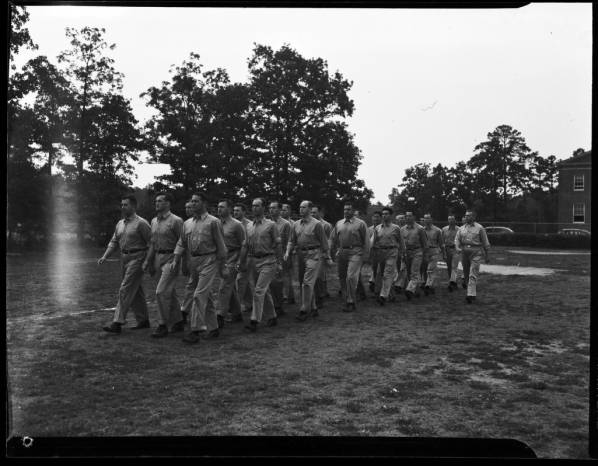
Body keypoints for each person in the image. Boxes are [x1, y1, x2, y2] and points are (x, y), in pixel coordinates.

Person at [170, 193, 227, 344]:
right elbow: (181, 243)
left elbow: (221, 246)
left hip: (209, 260)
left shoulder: (213, 222)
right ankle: (213, 328)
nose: (193, 204)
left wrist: (223, 266)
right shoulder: (187, 223)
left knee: (198, 295)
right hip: (193, 260)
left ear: (204, 203)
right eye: (192, 201)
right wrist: (177, 259)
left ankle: (195, 330)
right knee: (205, 297)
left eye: (196, 201)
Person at [99, 194, 152, 334]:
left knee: (125, 288)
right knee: (136, 291)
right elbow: (114, 242)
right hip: (124, 258)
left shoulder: (142, 223)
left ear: (134, 206)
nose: (123, 207)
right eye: (121, 205)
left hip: (138, 258)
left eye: (126, 205)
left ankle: (117, 323)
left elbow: (151, 243)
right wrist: (105, 256)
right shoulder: (120, 224)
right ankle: (143, 320)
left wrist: (147, 261)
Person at [141, 192, 185, 338]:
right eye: (156, 201)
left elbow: (183, 242)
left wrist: (181, 261)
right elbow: (153, 243)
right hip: (158, 257)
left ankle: (162, 324)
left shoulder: (176, 221)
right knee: (169, 292)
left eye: (160, 201)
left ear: (168, 203)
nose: (156, 203)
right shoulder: (154, 221)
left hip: (171, 257)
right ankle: (178, 321)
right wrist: (148, 261)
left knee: (161, 291)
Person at [286, 200, 331, 321]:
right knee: (304, 282)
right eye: (300, 207)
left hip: (314, 255)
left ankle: (304, 310)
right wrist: (287, 252)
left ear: (310, 209)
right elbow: (291, 240)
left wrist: (328, 257)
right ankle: (314, 308)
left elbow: (324, 243)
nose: (301, 209)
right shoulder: (295, 224)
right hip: (301, 255)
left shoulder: (317, 225)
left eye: (304, 207)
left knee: (306, 283)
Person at [243, 198, 283, 332]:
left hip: (268, 261)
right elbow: (246, 246)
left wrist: (279, 262)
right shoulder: (248, 226)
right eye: (253, 206)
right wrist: (242, 262)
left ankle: (254, 320)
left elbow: (278, 244)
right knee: (263, 291)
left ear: (263, 208)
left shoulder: (271, 225)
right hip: (255, 261)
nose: (254, 208)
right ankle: (272, 316)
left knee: (258, 291)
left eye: (257, 206)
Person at [329, 202, 369, 312]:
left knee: (351, 277)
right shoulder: (339, 223)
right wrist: (329, 251)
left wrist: (366, 255)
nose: (346, 211)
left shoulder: (361, 224)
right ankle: (347, 298)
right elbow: (332, 238)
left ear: (353, 211)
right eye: (345, 209)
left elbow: (366, 240)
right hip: (342, 252)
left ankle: (351, 301)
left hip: (356, 252)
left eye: (349, 209)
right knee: (342, 277)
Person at [215, 199, 247, 328]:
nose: (219, 209)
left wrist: (240, 261)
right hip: (222, 259)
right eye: (218, 207)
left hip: (233, 258)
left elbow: (244, 245)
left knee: (224, 287)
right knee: (230, 287)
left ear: (229, 209)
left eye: (222, 207)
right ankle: (237, 313)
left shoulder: (237, 225)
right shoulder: (216, 223)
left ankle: (220, 315)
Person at [455, 210, 491, 304]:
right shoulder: (461, 228)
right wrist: (457, 247)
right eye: (466, 216)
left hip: (476, 252)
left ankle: (470, 295)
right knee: (466, 274)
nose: (467, 217)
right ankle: (471, 292)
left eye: (469, 216)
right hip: (464, 252)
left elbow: (485, 242)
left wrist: (487, 256)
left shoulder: (480, 228)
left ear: (474, 217)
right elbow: (457, 240)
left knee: (473, 273)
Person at [371, 207, 405, 305]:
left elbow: (401, 242)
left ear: (391, 215)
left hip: (392, 252)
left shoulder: (396, 228)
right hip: (381, 253)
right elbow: (373, 241)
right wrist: (370, 251)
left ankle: (383, 296)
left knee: (387, 274)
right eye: (383, 214)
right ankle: (392, 294)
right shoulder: (377, 228)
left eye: (386, 214)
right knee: (382, 274)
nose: (384, 215)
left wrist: (403, 252)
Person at [269, 201, 291, 316]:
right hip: (268, 255)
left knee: (278, 280)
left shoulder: (286, 224)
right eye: (270, 208)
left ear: (279, 210)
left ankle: (279, 305)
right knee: (270, 282)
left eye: (274, 208)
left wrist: (285, 255)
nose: (271, 210)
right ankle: (273, 304)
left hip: (280, 255)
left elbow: (288, 241)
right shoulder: (267, 223)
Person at [400, 211, 428, 300]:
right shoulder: (402, 229)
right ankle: (416, 291)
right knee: (408, 273)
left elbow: (424, 243)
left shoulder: (420, 229)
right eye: (406, 216)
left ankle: (409, 290)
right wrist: (402, 254)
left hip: (417, 252)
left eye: (410, 216)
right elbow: (401, 243)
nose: (408, 218)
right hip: (407, 252)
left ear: (414, 217)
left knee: (414, 272)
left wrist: (425, 255)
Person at [233, 203, 253, 316]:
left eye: (238, 211)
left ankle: (237, 306)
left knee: (240, 280)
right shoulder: (233, 223)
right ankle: (249, 303)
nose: (235, 213)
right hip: (235, 255)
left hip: (247, 256)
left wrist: (243, 259)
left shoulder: (249, 225)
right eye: (234, 210)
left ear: (244, 212)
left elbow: (248, 243)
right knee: (244, 281)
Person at [311, 205, 333, 306]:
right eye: (311, 212)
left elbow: (329, 240)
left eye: (314, 212)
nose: (312, 214)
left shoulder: (326, 225)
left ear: (320, 213)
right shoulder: (309, 224)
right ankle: (319, 294)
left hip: (321, 252)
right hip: (311, 253)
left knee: (321, 275)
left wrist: (327, 254)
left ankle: (321, 295)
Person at [422, 213, 445, 295]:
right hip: (424, 252)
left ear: (431, 219)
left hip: (434, 251)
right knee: (425, 270)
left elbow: (441, 243)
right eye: (425, 218)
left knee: (430, 269)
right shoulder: (421, 230)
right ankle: (429, 285)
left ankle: (428, 285)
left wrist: (444, 253)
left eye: (428, 218)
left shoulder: (437, 230)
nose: (426, 220)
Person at [281, 203, 296, 304]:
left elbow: (294, 239)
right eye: (281, 210)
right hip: (278, 252)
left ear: (289, 211)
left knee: (286, 274)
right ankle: (285, 295)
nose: (282, 212)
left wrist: (290, 251)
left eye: (285, 210)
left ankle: (288, 296)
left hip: (287, 252)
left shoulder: (293, 224)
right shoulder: (276, 222)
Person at [442, 215, 461, 292]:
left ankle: (451, 282)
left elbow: (461, 239)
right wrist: (443, 252)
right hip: (447, 249)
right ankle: (453, 282)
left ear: (455, 220)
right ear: (447, 220)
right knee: (449, 267)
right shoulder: (444, 229)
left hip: (455, 250)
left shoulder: (459, 229)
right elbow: (442, 241)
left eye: (452, 219)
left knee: (454, 266)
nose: (451, 221)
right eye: (449, 219)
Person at [367, 211, 383, 295]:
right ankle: (374, 282)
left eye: (377, 217)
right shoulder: (369, 229)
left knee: (380, 270)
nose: (375, 218)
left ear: (381, 218)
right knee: (374, 268)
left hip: (382, 251)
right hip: (373, 251)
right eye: (374, 217)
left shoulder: (383, 228)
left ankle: (376, 286)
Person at [393, 213, 408, 293]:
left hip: (406, 251)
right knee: (397, 268)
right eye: (399, 218)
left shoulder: (407, 228)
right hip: (396, 251)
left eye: (402, 218)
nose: (401, 219)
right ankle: (403, 285)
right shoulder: (394, 228)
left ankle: (399, 285)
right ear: (396, 220)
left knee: (403, 268)